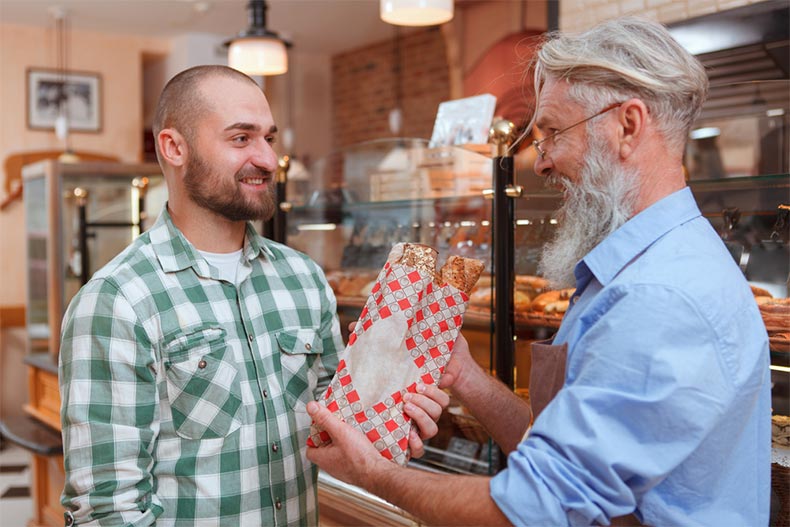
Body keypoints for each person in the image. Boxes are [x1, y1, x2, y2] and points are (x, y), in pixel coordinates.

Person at [306, 17, 771, 525]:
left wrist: (372, 473)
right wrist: (464, 375)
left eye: (552, 132)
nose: (541, 161)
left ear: (628, 126)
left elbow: (538, 508)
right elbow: (565, 450)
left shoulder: (658, 296)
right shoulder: (631, 272)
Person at [58, 65, 446, 526]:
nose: (266, 158)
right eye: (241, 138)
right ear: (174, 148)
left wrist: (393, 414)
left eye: (269, 138)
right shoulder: (117, 301)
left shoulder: (303, 277)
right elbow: (107, 511)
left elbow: (336, 428)